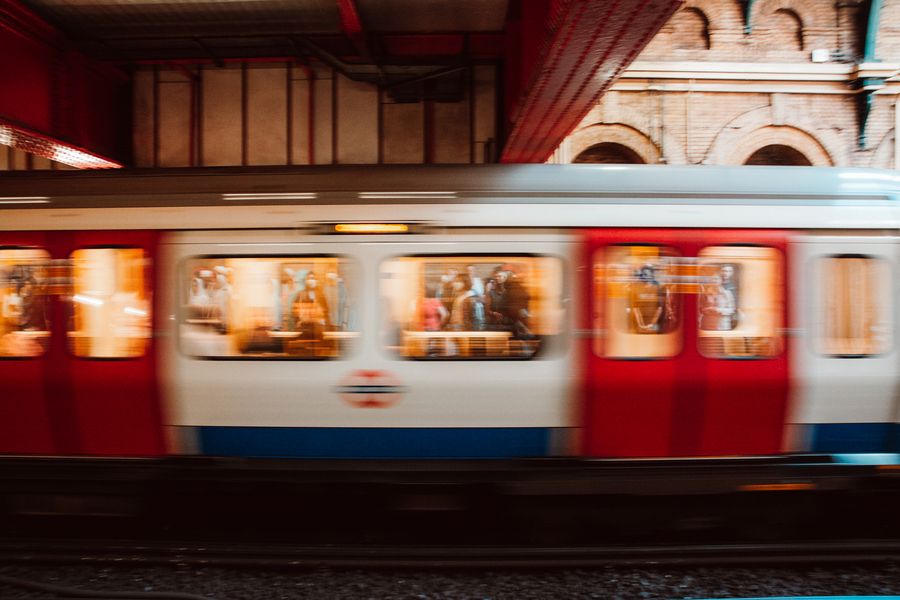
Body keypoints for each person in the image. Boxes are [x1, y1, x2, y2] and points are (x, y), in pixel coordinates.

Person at [700, 264, 738, 331]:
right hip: (708, 325)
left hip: (722, 326)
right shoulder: (705, 294)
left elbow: (731, 310)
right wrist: (707, 310)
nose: (714, 281)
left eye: (717, 279)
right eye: (713, 279)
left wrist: (719, 310)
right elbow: (700, 308)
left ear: (721, 280)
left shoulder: (727, 293)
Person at [629, 264, 663, 333]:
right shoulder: (636, 288)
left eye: (647, 274)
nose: (646, 276)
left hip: (654, 325)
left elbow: (659, 308)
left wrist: (652, 324)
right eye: (644, 274)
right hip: (639, 326)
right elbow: (636, 309)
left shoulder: (656, 288)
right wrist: (641, 325)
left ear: (651, 275)